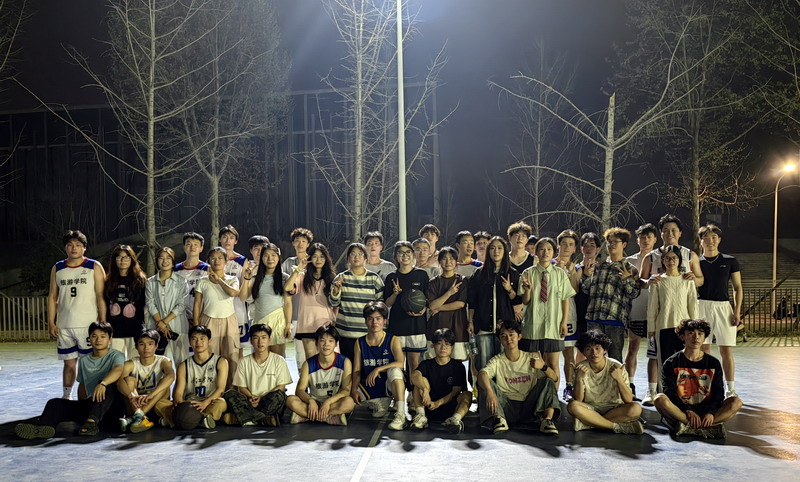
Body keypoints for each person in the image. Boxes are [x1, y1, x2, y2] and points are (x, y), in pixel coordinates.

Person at [15, 322, 125, 439]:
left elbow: (118, 370)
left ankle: (91, 423)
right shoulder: (84, 360)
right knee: (55, 403)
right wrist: (80, 405)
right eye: (94, 336)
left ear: (110, 339)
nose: (98, 340)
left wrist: (103, 384)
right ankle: (43, 428)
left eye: (103, 336)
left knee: (109, 385)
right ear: (89, 339)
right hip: (92, 405)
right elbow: (82, 385)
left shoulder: (117, 355)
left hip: (111, 409)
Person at [654, 319, 742, 439]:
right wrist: (688, 410)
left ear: (704, 337)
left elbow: (718, 393)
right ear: (682, 336)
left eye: (700, 333)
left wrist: (710, 412)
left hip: (705, 409)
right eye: (691, 333)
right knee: (659, 399)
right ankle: (704, 426)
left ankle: (690, 426)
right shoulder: (671, 363)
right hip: (682, 410)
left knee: (736, 402)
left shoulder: (713, 363)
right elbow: (670, 392)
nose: (696, 337)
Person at [48, 230, 107, 400]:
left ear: (84, 248)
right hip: (65, 325)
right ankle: (67, 397)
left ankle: (90, 397)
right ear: (65, 248)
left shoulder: (94, 266)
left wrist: (103, 321)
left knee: (90, 364)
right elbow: (52, 297)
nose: (74, 248)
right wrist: (51, 322)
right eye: (70, 245)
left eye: (78, 245)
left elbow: (101, 296)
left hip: (88, 325)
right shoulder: (58, 267)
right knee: (68, 364)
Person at [478, 320, 560, 435]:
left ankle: (547, 420)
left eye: (512, 335)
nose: (508, 339)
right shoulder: (497, 360)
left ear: (519, 337)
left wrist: (543, 367)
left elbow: (555, 378)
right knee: (485, 383)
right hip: (507, 407)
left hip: (529, 407)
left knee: (548, 381)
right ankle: (499, 419)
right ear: (500, 340)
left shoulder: (530, 358)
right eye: (504, 336)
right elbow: (482, 374)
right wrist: (489, 392)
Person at [519, 237, 575, 386]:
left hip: (553, 325)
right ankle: (535, 395)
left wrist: (564, 322)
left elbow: (565, 299)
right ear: (536, 252)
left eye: (549, 249)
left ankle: (552, 396)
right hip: (533, 325)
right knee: (532, 364)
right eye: (542, 249)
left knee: (553, 363)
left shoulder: (560, 274)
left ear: (553, 252)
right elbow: (525, 301)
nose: (545, 252)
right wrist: (527, 290)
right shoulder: (527, 273)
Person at [566, 330, 644, 434]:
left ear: (605, 350)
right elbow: (578, 400)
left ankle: (589, 423)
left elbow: (628, 400)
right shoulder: (580, 368)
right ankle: (616, 427)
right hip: (590, 407)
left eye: (597, 348)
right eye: (588, 349)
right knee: (572, 406)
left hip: (614, 407)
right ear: (583, 353)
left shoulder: (616, 366)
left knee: (636, 408)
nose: (594, 352)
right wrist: (578, 379)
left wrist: (619, 379)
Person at [582, 228, 641, 363]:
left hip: (615, 320)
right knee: (593, 357)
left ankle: (617, 378)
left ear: (624, 244)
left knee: (615, 359)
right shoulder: (598, 266)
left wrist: (627, 279)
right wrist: (586, 275)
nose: (612, 244)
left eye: (616, 242)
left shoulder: (630, 269)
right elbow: (586, 289)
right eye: (609, 242)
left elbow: (634, 293)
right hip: (594, 319)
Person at [697, 224, 743, 398]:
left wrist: (737, 312)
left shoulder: (730, 261)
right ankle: (705, 388)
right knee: (704, 349)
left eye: (714, 237)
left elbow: (738, 287)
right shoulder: (696, 262)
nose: (710, 241)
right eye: (706, 238)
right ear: (701, 241)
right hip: (701, 306)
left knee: (726, 351)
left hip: (724, 307)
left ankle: (730, 389)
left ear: (719, 240)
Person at [157, 325, 228, 429]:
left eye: (202, 338)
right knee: (160, 403)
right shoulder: (183, 365)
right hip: (190, 403)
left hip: (210, 402)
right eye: (194, 339)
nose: (198, 342)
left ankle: (175, 420)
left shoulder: (220, 361)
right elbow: (178, 392)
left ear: (209, 341)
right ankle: (204, 420)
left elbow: (221, 389)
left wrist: (205, 403)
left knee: (221, 403)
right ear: (190, 342)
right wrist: (182, 406)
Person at [351, 301, 408, 430]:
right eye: (370, 319)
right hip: (370, 384)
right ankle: (380, 402)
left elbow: (400, 363)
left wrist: (378, 369)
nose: (374, 322)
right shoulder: (359, 342)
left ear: (384, 321)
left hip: (388, 384)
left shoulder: (393, 340)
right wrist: (354, 389)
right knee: (348, 392)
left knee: (395, 371)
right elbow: (357, 370)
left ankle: (401, 414)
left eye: (378, 319)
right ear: (365, 321)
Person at [647, 246, 698, 386]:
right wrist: (651, 329)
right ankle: (665, 391)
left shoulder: (687, 280)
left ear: (679, 260)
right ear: (662, 261)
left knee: (685, 361)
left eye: (674, 258)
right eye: (667, 258)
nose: (671, 261)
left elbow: (693, 305)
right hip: (664, 327)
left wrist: (694, 328)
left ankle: (685, 391)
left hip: (684, 329)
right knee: (665, 362)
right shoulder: (657, 281)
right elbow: (652, 308)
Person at [469, 237, 521, 372]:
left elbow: (517, 301)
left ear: (505, 251)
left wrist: (509, 289)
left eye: (499, 248)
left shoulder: (512, 273)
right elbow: (472, 301)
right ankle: (483, 387)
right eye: (492, 248)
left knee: (504, 366)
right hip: (483, 325)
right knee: (484, 366)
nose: (496, 251)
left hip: (505, 329)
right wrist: (470, 321)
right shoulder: (479, 273)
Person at [286, 325, 355, 425]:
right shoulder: (308, 364)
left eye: (331, 341)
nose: (326, 344)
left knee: (349, 403)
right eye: (322, 340)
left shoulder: (345, 362)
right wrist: (311, 401)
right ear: (316, 343)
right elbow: (299, 390)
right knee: (290, 400)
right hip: (314, 402)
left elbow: (346, 390)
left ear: (336, 344)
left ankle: (308, 416)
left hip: (333, 402)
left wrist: (328, 402)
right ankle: (329, 417)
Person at [226, 324, 292, 426]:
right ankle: (263, 419)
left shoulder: (279, 360)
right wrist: (251, 397)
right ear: (251, 341)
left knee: (279, 395)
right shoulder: (244, 361)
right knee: (230, 394)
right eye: (256, 338)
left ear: (269, 340)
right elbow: (241, 388)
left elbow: (281, 387)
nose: (260, 342)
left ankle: (247, 418)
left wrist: (261, 397)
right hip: (250, 400)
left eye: (264, 338)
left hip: (268, 400)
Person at [384, 241, 429, 389]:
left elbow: (428, 298)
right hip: (397, 325)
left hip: (416, 325)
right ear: (396, 257)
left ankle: (413, 394)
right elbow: (387, 303)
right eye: (401, 252)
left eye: (408, 252)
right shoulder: (391, 277)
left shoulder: (421, 275)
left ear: (413, 254)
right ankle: (397, 394)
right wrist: (395, 294)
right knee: (397, 363)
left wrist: (424, 308)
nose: (405, 255)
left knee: (414, 363)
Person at [329, 242, 384, 361]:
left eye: (360, 254)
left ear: (365, 257)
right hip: (346, 332)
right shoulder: (341, 278)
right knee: (348, 366)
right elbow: (333, 303)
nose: (356, 257)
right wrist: (336, 291)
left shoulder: (374, 278)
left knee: (367, 367)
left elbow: (381, 305)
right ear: (348, 258)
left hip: (368, 332)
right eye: (353, 254)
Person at [410, 328, 472, 433]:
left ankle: (455, 420)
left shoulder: (458, 366)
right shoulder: (426, 364)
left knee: (467, 394)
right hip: (428, 405)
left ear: (452, 347)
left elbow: (456, 391)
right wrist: (425, 390)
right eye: (439, 344)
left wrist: (438, 403)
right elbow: (414, 375)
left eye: (447, 344)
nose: (443, 348)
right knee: (419, 382)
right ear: (433, 346)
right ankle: (421, 416)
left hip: (450, 408)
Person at [193, 247, 240, 383]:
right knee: (210, 355)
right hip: (208, 320)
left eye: (220, 258)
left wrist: (218, 280)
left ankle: (231, 388)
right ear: (208, 261)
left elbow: (233, 293)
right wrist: (196, 325)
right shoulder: (202, 281)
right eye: (213, 258)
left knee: (231, 355)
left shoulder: (232, 279)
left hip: (229, 320)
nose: (217, 261)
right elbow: (197, 304)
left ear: (226, 261)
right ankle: (210, 387)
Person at [284, 242, 337, 363]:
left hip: (326, 324)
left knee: (326, 360)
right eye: (314, 256)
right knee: (311, 361)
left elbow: (336, 304)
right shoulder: (303, 277)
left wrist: (334, 320)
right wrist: (298, 269)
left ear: (326, 258)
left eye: (321, 256)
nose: (318, 260)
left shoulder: (332, 278)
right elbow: (287, 287)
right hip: (307, 324)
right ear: (309, 258)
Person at [624, 223, 658, 401]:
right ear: (637, 240)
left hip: (655, 311)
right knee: (633, 348)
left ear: (655, 239)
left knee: (655, 352)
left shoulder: (661, 258)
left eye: (649, 237)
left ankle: (655, 389)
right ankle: (629, 386)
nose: (645, 240)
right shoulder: (628, 261)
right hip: (635, 310)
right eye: (642, 237)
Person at [117, 330, 175, 433]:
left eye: (150, 344)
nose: (146, 348)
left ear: (156, 346)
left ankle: (138, 416)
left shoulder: (163, 361)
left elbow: (171, 376)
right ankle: (139, 415)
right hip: (136, 403)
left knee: (164, 383)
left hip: (155, 401)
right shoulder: (130, 363)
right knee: (128, 380)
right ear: (136, 346)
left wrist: (151, 395)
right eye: (142, 344)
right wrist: (131, 396)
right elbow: (119, 382)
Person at [240, 243, 292, 357]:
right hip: (260, 323)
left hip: (278, 322)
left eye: (273, 255)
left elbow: (288, 303)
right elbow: (243, 297)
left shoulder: (284, 278)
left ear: (278, 257)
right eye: (266, 255)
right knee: (260, 359)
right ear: (262, 258)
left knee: (278, 359)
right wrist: (246, 278)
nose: (270, 259)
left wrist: (288, 324)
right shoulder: (256, 278)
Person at [145, 247, 189, 367]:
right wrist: (160, 324)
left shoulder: (181, 281)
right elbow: (150, 304)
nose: (165, 261)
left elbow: (181, 305)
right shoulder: (150, 282)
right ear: (157, 261)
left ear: (173, 261)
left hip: (178, 328)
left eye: (168, 258)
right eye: (161, 258)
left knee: (182, 364)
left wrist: (164, 322)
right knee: (157, 365)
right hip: (156, 329)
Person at [427, 247, 470, 361]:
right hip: (437, 326)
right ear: (439, 261)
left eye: (451, 258)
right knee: (436, 361)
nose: (448, 261)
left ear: (456, 261)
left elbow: (460, 304)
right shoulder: (433, 282)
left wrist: (439, 308)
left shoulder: (462, 280)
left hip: (457, 326)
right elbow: (432, 306)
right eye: (444, 258)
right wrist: (449, 293)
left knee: (458, 361)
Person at [104, 244, 146, 359]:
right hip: (115, 331)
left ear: (132, 259)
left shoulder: (140, 280)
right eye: (119, 257)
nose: (122, 260)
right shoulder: (108, 281)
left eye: (126, 257)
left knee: (135, 365)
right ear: (114, 260)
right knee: (117, 365)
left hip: (135, 331)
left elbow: (146, 305)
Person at [555, 229, 581, 400]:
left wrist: (571, 273)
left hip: (569, 313)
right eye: (564, 243)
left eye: (570, 244)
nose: (566, 247)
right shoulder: (549, 263)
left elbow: (575, 291)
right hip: (551, 313)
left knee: (569, 353)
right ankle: (550, 388)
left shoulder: (576, 268)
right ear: (558, 245)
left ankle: (569, 386)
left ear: (574, 248)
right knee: (550, 354)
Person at [281, 227, 314, 363]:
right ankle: (301, 375)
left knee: (312, 351)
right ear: (293, 243)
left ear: (308, 244)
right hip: (293, 312)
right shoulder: (288, 263)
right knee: (299, 352)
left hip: (311, 312)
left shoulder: (313, 262)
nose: (300, 244)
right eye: (297, 241)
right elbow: (284, 286)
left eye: (304, 241)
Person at [219, 225, 250, 360]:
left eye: (231, 238)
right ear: (220, 239)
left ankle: (238, 374)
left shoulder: (242, 261)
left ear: (235, 241)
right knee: (219, 348)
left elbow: (243, 288)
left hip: (237, 308)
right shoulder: (214, 259)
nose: (228, 240)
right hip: (218, 307)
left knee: (238, 349)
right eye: (225, 237)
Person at [175, 232, 210, 328]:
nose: (192, 247)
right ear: (184, 247)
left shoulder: (207, 269)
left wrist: (198, 318)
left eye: (196, 245)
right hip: (179, 317)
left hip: (201, 317)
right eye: (189, 244)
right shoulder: (175, 270)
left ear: (201, 248)